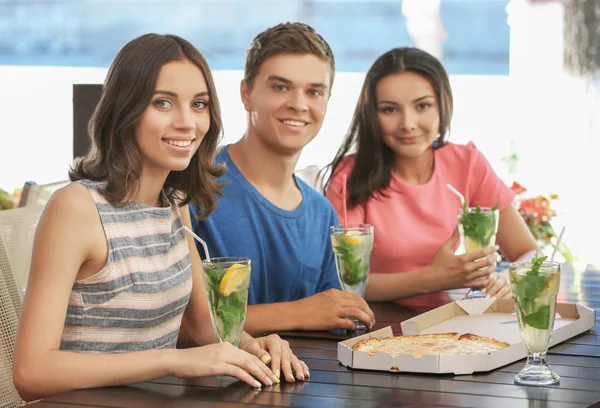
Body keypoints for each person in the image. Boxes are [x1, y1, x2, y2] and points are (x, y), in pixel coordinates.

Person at [13, 33, 307, 402]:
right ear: (126, 109)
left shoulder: (173, 203)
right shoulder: (76, 208)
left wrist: (254, 347)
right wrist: (174, 361)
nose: (188, 123)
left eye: (199, 104)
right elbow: (31, 373)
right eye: (163, 102)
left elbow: (203, 325)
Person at [190, 23, 375, 335]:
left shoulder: (321, 213)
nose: (299, 104)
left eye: (314, 92)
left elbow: (335, 319)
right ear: (246, 94)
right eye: (280, 87)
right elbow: (176, 325)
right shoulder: (193, 187)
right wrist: (300, 312)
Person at [324, 47, 538, 306]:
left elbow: (529, 251)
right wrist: (433, 278)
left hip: (445, 328)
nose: (408, 124)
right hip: (372, 328)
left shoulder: (467, 163)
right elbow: (342, 283)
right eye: (390, 110)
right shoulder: (349, 178)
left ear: (442, 105)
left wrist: (508, 279)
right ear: (373, 115)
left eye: (422, 106)